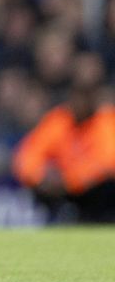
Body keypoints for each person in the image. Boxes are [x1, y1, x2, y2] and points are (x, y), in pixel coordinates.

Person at [13, 53, 115, 223]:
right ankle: (54, 221)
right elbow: (28, 155)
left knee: (106, 186)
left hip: (91, 191)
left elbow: (107, 162)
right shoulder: (58, 120)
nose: (80, 102)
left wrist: (68, 179)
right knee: (39, 188)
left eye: (85, 97)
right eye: (77, 96)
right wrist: (41, 175)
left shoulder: (105, 121)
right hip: (61, 188)